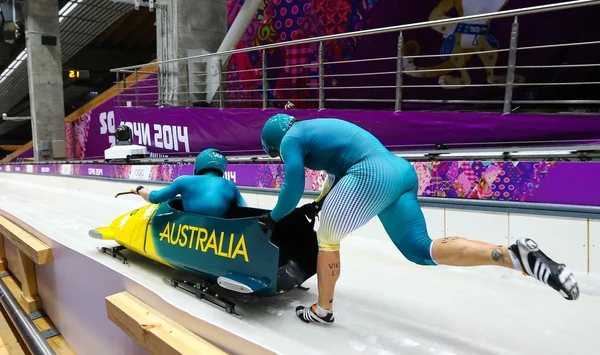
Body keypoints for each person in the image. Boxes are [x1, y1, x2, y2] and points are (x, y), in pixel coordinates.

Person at [257, 114, 580, 325]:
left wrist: (273, 219)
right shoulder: (317, 128)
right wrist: (319, 202)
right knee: (420, 249)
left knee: (327, 238)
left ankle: (322, 309)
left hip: (370, 173)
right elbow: (334, 175)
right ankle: (512, 255)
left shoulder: (291, 140)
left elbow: (292, 184)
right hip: (399, 171)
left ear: (276, 143)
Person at [132, 148, 247, 216]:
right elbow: (245, 210)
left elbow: (156, 197)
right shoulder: (231, 186)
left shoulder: (184, 181)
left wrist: (140, 190)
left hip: (193, 228)